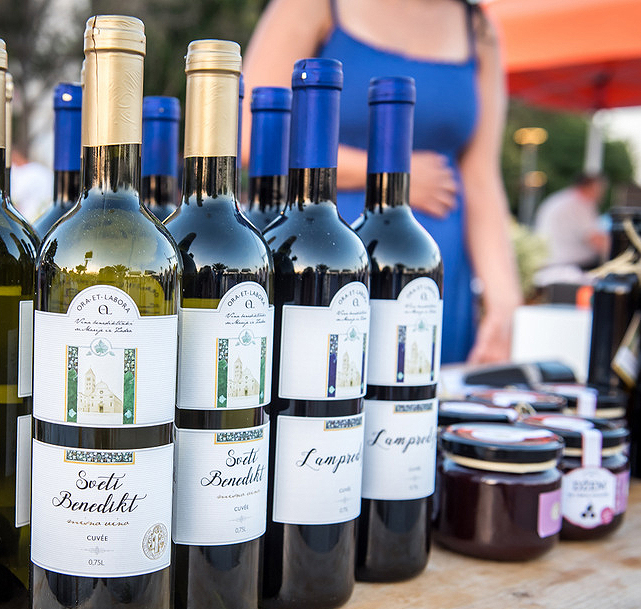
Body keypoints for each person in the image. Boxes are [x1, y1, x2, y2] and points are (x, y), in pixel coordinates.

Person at [242, 0, 522, 364]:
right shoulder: (313, 5)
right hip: (328, 262)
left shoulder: (479, 29)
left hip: (438, 279)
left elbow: (482, 178)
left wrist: (504, 302)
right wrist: (392, 175)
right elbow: (253, 134)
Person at [533, 173, 609, 270]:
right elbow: (596, 240)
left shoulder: (561, 199)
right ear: (590, 187)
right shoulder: (580, 203)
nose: (602, 194)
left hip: (551, 262)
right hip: (569, 266)